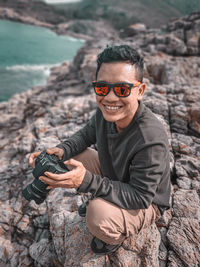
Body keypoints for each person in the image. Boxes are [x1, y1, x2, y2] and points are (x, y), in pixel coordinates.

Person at [29, 45, 171, 255]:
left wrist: (85, 181)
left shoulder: (150, 140)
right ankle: (103, 198)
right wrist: (61, 149)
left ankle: (113, 234)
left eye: (122, 89)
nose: (111, 98)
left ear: (140, 90)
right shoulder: (106, 112)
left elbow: (140, 197)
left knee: (97, 215)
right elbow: (86, 135)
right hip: (116, 176)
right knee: (67, 158)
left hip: (146, 202)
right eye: (103, 88)